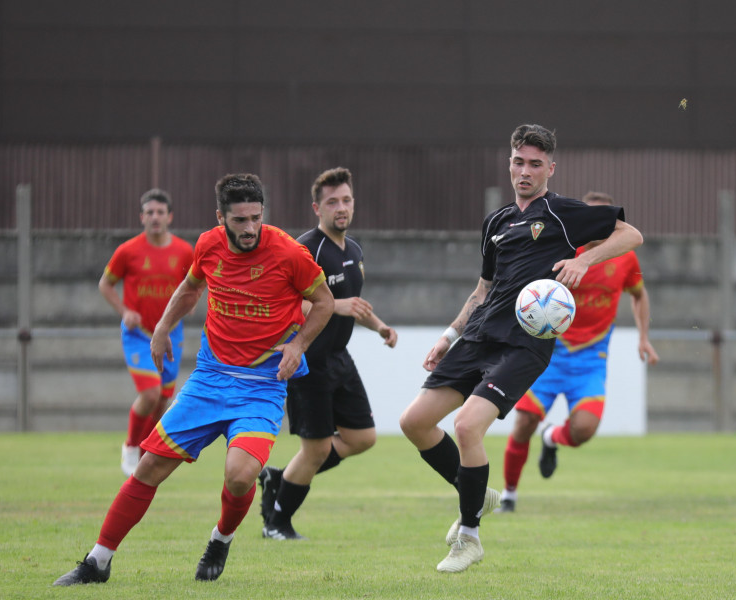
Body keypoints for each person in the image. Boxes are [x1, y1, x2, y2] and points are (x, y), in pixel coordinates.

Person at [53, 173, 334, 586]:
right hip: (209, 380)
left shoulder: (289, 253)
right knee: (148, 467)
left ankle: (221, 538)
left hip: (261, 386)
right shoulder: (207, 245)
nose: (250, 228)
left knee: (239, 476)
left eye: (256, 217)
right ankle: (97, 562)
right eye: (239, 220)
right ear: (220, 217)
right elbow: (189, 288)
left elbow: (324, 302)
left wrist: (298, 347)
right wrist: (164, 327)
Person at [398, 124, 643, 573]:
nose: (524, 171)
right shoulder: (496, 222)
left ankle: (468, 538)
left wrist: (582, 259)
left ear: (550, 168)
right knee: (414, 422)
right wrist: (448, 336)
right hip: (478, 337)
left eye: (535, 164)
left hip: (524, 344)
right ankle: (479, 493)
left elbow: (632, 236)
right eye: (518, 162)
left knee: (467, 427)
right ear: (508, 162)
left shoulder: (565, 213)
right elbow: (482, 291)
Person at [497, 191, 660, 513]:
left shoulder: (626, 258)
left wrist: (644, 337)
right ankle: (509, 495)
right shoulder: (564, 250)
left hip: (590, 357)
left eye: (608, 222)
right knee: (524, 421)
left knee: (584, 429)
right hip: (550, 351)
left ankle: (551, 439)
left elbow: (639, 295)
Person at [258, 167, 398, 540]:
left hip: (339, 357)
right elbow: (287, 306)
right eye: (333, 201)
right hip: (308, 361)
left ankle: (278, 477)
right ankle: (277, 523)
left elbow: (354, 305)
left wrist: (380, 326)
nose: (341, 207)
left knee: (362, 438)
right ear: (316, 207)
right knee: (316, 449)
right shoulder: (305, 250)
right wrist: (334, 305)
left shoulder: (354, 249)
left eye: (347, 200)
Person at [98, 189, 194, 477]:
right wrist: (124, 311)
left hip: (171, 335)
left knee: (164, 400)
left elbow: (196, 285)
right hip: (138, 334)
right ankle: (130, 446)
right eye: (149, 212)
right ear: (142, 217)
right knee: (151, 394)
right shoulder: (128, 251)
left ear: (169, 217)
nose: (155, 217)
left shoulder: (184, 251)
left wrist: (188, 306)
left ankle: (146, 451)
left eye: (160, 212)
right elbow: (105, 284)